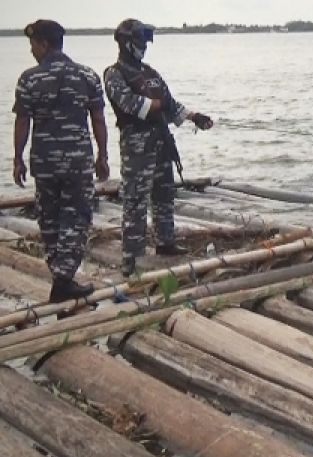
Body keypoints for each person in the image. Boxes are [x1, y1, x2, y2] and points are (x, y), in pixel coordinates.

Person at [104, 19, 213, 276]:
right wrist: (158, 104)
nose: (144, 46)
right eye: (140, 40)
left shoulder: (151, 73)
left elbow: (171, 105)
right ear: (126, 42)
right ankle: (132, 259)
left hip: (162, 142)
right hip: (137, 148)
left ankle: (166, 243)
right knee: (135, 202)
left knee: (164, 196)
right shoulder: (114, 73)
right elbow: (132, 105)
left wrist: (196, 117)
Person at [11, 20, 109, 301]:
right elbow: (98, 119)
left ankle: (60, 275)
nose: (31, 51)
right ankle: (63, 278)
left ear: (44, 44)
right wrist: (103, 155)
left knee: (49, 217)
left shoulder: (29, 79)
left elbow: (22, 122)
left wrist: (17, 159)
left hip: (45, 160)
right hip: (77, 160)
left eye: (33, 45)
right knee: (77, 217)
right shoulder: (87, 76)